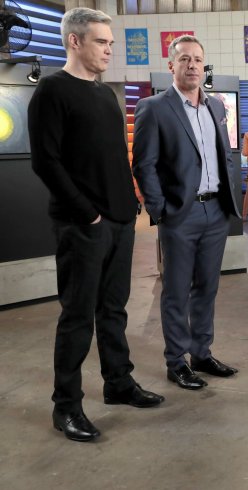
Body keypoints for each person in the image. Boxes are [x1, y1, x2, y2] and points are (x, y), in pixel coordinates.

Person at [28, 7, 164, 442]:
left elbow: (112, 157)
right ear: (75, 41)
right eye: (101, 42)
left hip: (120, 220)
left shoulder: (106, 94)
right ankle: (66, 406)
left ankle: (118, 383)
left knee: (114, 309)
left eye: (110, 42)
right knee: (77, 316)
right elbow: (45, 161)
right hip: (82, 225)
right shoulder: (52, 90)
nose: (109, 50)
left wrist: (130, 202)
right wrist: (87, 212)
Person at [132, 35, 241, 391]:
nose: (192, 65)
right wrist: (160, 210)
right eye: (184, 59)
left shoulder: (216, 107)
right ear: (171, 65)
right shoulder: (153, 107)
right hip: (181, 214)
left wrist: (228, 200)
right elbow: (143, 165)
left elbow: (224, 157)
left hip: (216, 212)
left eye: (197, 59)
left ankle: (202, 354)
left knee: (207, 288)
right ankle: (176, 362)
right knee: (177, 291)